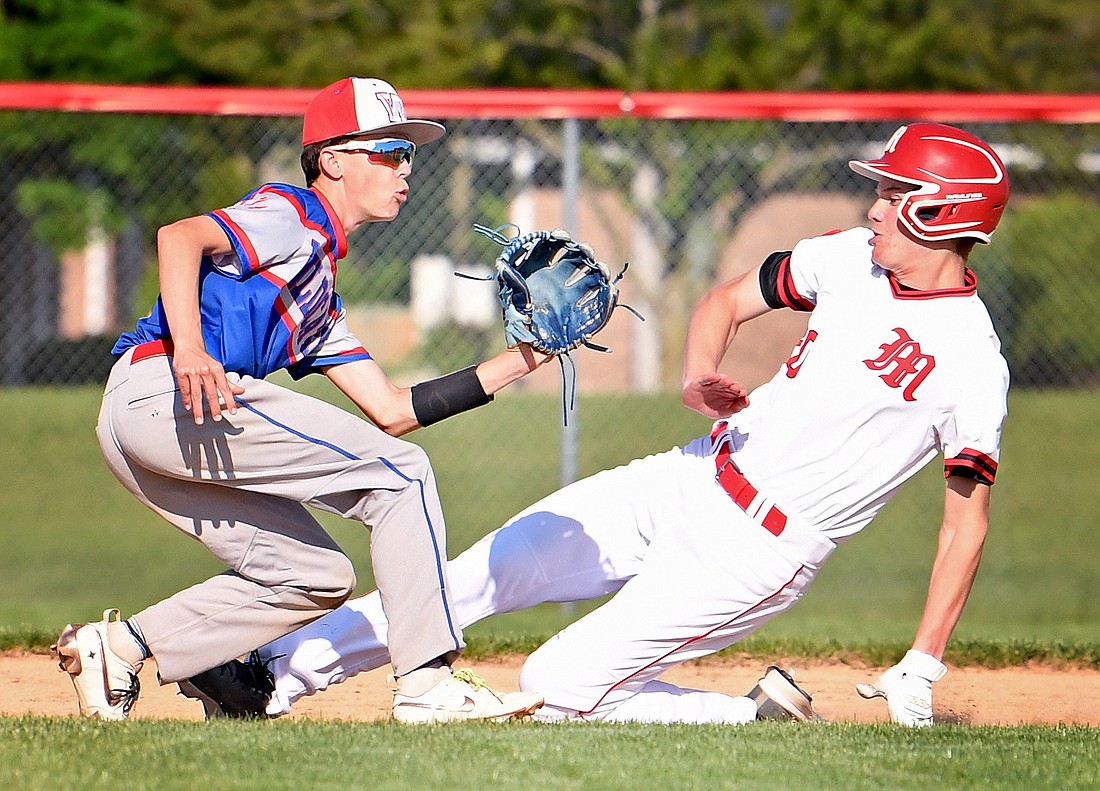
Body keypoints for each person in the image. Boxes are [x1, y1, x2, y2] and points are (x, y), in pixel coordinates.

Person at [181, 122, 1011, 727]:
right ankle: (264, 679)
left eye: (898, 194)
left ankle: (749, 718)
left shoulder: (972, 363)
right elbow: (726, 300)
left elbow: (965, 523)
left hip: (760, 547)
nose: (877, 205)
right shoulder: (848, 258)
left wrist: (925, 657)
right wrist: (697, 373)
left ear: (947, 212)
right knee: (466, 576)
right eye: (882, 188)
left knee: (555, 683)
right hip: (688, 473)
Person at [51, 76, 552, 724]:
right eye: (389, 150)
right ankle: (428, 686)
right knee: (405, 476)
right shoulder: (294, 216)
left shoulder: (318, 298)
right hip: (167, 390)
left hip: (159, 419)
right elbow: (180, 237)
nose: (405, 168)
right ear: (333, 159)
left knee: (315, 574)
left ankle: (117, 647)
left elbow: (395, 409)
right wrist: (191, 351)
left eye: (408, 154)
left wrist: (526, 357)